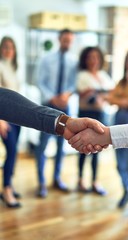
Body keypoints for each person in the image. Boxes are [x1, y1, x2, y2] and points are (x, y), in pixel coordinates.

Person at [71, 49, 128, 215]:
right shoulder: (120, 81)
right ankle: (125, 192)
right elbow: (112, 98)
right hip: (119, 123)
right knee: (120, 163)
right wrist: (123, 100)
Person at [35, 29, 78, 197]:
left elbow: (73, 84)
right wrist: (52, 98)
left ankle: (57, 178)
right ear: (59, 39)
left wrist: (66, 95)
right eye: (65, 40)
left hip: (65, 107)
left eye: (70, 40)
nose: (67, 43)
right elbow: (40, 81)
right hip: (47, 107)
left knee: (61, 146)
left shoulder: (73, 62)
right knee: (43, 145)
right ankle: (41, 182)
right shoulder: (46, 59)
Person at [76, 46, 114, 195]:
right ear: (85, 59)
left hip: (101, 116)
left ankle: (94, 181)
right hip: (85, 115)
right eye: (90, 57)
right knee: (82, 148)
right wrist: (101, 93)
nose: (94, 60)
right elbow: (83, 93)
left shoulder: (104, 75)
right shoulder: (82, 75)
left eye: (96, 57)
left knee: (98, 148)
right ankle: (80, 180)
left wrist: (95, 92)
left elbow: (112, 93)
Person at [0, 37, 22, 208]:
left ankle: (9, 185)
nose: (8, 50)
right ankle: (6, 189)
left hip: (16, 116)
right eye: (5, 47)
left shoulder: (14, 68)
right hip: (4, 118)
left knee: (14, 153)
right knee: (12, 150)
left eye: (11, 47)